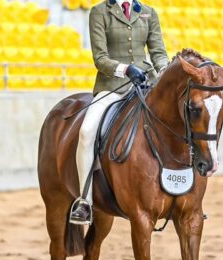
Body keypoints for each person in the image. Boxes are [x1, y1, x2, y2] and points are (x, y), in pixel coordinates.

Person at [69, 0, 169, 224]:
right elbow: (100, 58)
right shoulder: (99, 12)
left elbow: (158, 51)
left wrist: (164, 69)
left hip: (146, 84)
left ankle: (185, 193)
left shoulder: (147, 12)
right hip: (112, 86)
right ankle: (85, 201)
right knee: (86, 133)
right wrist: (125, 69)